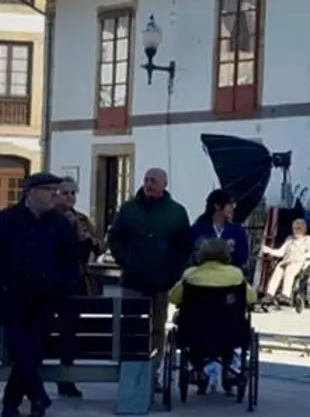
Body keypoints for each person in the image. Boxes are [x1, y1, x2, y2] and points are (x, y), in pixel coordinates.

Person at [0, 173, 78, 417]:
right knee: (19, 348)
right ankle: (37, 396)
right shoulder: (7, 220)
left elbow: (70, 262)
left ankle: (12, 403)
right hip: (11, 298)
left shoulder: (60, 224)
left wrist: (60, 289)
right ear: (31, 192)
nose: (55, 196)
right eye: (50, 191)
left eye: (58, 191)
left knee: (30, 351)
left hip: (45, 299)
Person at [107, 167, 192, 379]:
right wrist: (125, 259)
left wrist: (174, 272)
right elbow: (115, 237)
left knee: (157, 328)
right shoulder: (128, 209)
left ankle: (153, 371)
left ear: (164, 184)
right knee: (132, 325)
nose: (148, 184)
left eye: (153, 180)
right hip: (133, 279)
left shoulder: (176, 212)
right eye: (146, 179)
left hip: (162, 280)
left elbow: (184, 246)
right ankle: (131, 368)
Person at [168, 238, 257, 395]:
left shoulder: (190, 276)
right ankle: (228, 371)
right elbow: (251, 298)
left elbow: (173, 297)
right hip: (229, 331)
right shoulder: (236, 275)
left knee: (192, 339)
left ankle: (200, 372)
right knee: (228, 336)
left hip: (194, 331)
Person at [52, 176, 105, 399]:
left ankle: (67, 378)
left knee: (70, 330)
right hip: (51, 279)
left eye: (73, 194)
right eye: (66, 194)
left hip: (75, 281)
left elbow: (99, 247)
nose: (70, 198)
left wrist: (89, 241)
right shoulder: (49, 218)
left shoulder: (82, 219)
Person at [189, 188, 250, 269]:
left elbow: (242, 258)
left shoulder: (238, 231)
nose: (233, 207)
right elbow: (190, 256)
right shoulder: (197, 230)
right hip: (202, 276)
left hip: (228, 277)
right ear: (217, 206)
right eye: (230, 204)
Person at [261, 218, 310, 305]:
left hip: (300, 262)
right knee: (278, 269)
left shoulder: (308, 239)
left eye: (299, 229)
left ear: (303, 230)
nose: (296, 231)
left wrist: (300, 256)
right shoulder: (289, 239)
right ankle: (270, 294)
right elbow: (281, 252)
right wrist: (270, 250)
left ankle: (286, 295)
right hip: (287, 261)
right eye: (295, 229)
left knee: (289, 270)